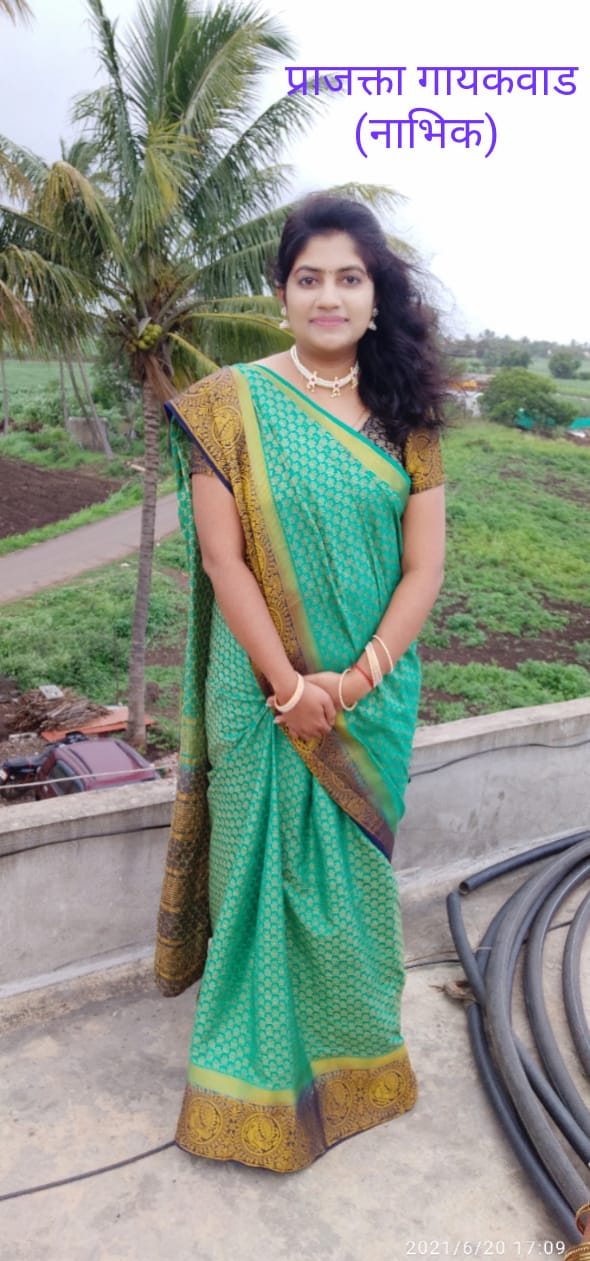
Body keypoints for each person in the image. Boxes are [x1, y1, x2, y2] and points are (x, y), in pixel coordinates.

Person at [154, 193, 446, 1173]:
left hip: (368, 699)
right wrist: (288, 686)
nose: (329, 296)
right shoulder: (225, 405)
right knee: (259, 888)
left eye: (348, 278)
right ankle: (249, 1090)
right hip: (259, 697)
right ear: (279, 294)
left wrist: (353, 682)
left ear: (376, 294)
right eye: (308, 277)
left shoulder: (407, 416)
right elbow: (223, 559)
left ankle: (357, 1067)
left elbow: (424, 568)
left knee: (350, 893)